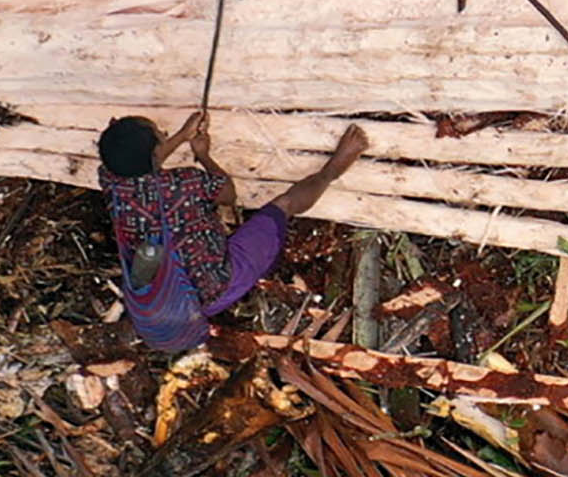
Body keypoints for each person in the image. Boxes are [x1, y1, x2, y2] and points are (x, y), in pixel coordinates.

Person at [94, 115, 365, 358]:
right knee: (283, 205)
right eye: (161, 133)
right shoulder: (186, 182)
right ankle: (334, 167)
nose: (165, 134)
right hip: (218, 287)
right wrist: (203, 155)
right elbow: (228, 195)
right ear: (155, 151)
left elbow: (143, 166)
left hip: (168, 298)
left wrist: (181, 135)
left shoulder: (112, 184)